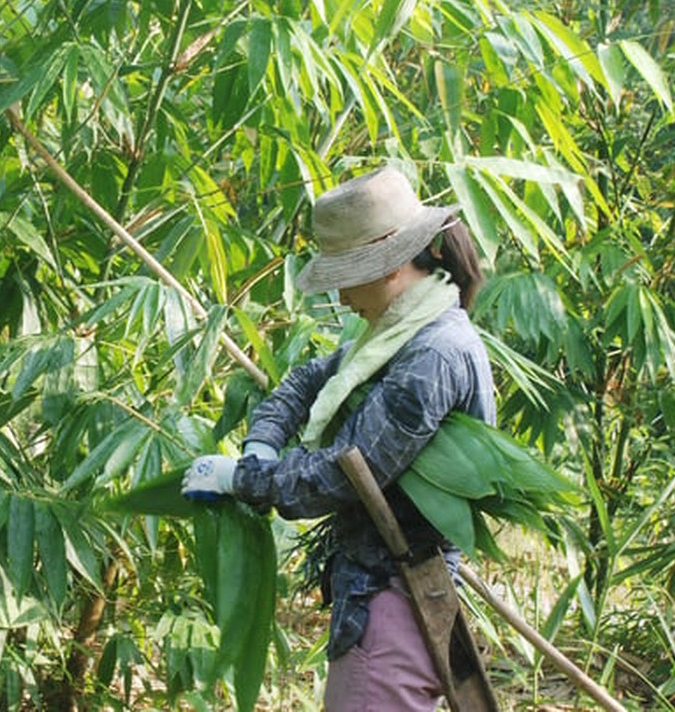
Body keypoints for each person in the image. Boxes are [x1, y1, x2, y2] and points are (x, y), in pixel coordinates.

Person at [181, 166, 494, 712]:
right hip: (383, 599)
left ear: (391, 265)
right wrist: (261, 442)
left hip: (397, 603)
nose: (343, 296)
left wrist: (242, 477)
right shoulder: (392, 334)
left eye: (347, 276)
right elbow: (306, 380)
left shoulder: (431, 356)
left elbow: (340, 477)